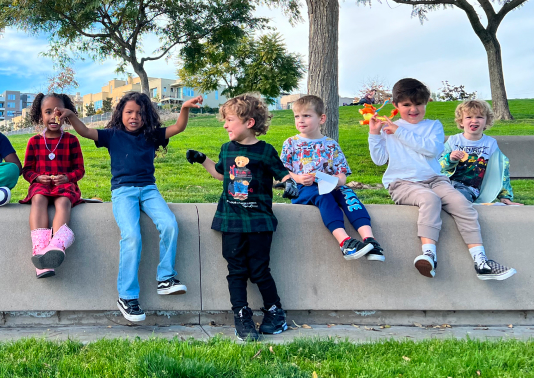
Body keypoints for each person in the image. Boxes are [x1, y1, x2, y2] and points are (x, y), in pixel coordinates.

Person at [57, 92, 203, 322]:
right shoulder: (112, 135)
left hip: (149, 190)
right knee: (132, 236)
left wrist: (184, 108)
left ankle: (166, 278)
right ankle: (127, 296)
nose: (134, 116)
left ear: (147, 116)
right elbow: (85, 131)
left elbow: (178, 127)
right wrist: (71, 116)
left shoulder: (151, 135)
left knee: (169, 224)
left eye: (139, 113)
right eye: (129, 112)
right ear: (120, 114)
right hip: (123, 191)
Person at [368, 78, 515, 280]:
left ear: (427, 102)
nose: (413, 109)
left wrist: (399, 132)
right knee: (429, 199)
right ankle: (429, 254)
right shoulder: (389, 128)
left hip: (435, 180)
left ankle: (481, 261)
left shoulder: (433, 126)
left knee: (461, 204)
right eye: (407, 105)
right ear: (395, 105)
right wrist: (374, 135)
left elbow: (432, 150)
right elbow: (379, 160)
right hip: (402, 183)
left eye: (419, 104)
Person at [186, 94, 289, 341]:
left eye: (230, 120)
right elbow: (221, 175)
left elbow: (283, 174)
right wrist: (202, 159)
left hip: (259, 221)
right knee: (236, 269)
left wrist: (290, 184)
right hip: (231, 219)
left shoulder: (265, 151)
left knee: (259, 269)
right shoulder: (227, 149)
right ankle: (241, 316)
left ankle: (275, 312)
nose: (225, 125)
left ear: (249, 122)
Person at [281, 95, 384, 262]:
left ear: (321, 118)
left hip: (329, 185)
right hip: (304, 189)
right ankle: (345, 243)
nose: (300, 120)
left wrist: (338, 182)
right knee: (324, 196)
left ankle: (370, 240)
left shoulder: (331, 144)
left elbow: (342, 172)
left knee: (348, 194)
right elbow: (283, 171)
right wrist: (299, 178)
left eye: (306, 116)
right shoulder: (291, 143)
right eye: (297, 116)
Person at [19, 93, 85, 279]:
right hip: (42, 186)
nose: (53, 116)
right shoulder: (34, 142)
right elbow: (27, 170)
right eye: (48, 112)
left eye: (58, 112)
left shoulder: (72, 140)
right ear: (40, 116)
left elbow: (80, 170)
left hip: (65, 186)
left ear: (65, 115)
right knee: (38, 199)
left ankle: (57, 245)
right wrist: (38, 178)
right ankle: (40, 252)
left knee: (63, 202)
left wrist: (67, 177)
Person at [439, 100, 523, 206]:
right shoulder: (453, 141)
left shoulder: (490, 144)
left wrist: (505, 197)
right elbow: (437, 167)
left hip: (469, 189)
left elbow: (500, 171)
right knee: (433, 197)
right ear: (461, 121)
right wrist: (450, 159)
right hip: (446, 185)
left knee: (457, 198)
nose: (474, 120)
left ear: (487, 121)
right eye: (469, 117)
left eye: (479, 117)